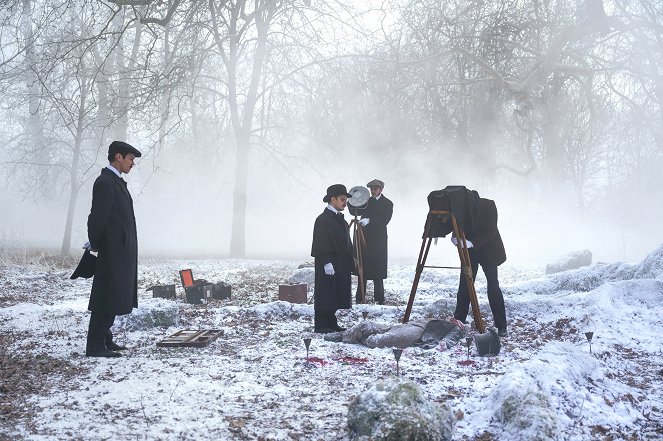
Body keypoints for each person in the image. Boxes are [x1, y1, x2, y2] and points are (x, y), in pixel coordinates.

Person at [84, 141, 141, 357]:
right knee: (106, 297)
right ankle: (95, 346)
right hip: (112, 252)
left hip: (118, 251)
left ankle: (104, 341)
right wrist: (97, 245)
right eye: (130, 159)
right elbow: (96, 218)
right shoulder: (105, 182)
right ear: (118, 157)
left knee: (113, 295)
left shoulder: (114, 182)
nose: (132, 163)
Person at [451, 195, 508, 337]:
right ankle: (459, 319)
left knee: (493, 285)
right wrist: (454, 236)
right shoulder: (461, 208)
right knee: (465, 284)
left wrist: (472, 243)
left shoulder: (488, 205)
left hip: (489, 250)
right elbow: (457, 224)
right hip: (470, 252)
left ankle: (501, 326)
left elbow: (492, 230)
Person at [311, 184, 354, 333]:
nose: (345, 202)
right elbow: (321, 242)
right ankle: (322, 325)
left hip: (340, 262)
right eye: (342, 199)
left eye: (345, 199)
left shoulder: (339, 218)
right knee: (326, 292)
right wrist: (326, 262)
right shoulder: (323, 219)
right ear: (332, 199)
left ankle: (331, 322)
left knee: (336, 292)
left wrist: (351, 260)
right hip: (328, 262)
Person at [356, 179, 393, 304]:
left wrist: (370, 221)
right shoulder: (366, 202)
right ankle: (360, 298)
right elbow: (355, 211)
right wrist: (354, 200)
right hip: (364, 237)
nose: (373, 191)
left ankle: (379, 299)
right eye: (371, 189)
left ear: (381, 189)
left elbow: (385, 220)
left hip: (379, 240)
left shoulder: (388, 203)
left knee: (378, 270)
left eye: (375, 189)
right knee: (363, 268)